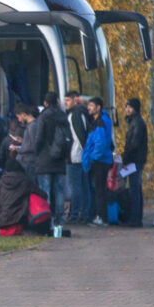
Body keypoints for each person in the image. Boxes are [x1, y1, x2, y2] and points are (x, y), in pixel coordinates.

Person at [0, 159, 46, 235]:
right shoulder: (25, 181)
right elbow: (43, 195)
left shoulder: (0, 182)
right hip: (19, 221)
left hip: (3, 222)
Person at [33, 92, 69, 224]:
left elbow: (39, 138)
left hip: (45, 159)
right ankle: (59, 218)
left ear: (45, 103)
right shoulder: (63, 116)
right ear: (57, 102)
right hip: (60, 159)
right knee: (59, 191)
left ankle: (47, 219)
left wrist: (36, 152)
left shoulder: (43, 116)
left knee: (45, 190)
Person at [82, 98, 114, 227]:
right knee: (100, 190)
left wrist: (93, 158)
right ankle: (101, 217)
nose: (88, 108)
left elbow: (100, 143)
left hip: (99, 161)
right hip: (102, 159)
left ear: (98, 107)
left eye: (91, 105)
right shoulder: (101, 120)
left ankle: (102, 218)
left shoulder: (100, 122)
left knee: (99, 191)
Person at [64, 92, 91, 225]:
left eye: (68, 100)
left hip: (75, 156)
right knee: (84, 186)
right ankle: (84, 212)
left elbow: (79, 137)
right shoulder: (84, 112)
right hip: (82, 157)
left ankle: (75, 213)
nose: (66, 103)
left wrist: (81, 152)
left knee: (76, 187)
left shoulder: (74, 115)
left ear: (75, 100)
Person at [122, 98, 149, 224]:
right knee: (135, 187)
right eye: (126, 107)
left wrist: (125, 158)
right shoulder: (135, 122)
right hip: (135, 159)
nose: (127, 110)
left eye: (130, 107)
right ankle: (136, 216)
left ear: (136, 109)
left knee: (135, 188)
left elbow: (134, 144)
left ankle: (135, 218)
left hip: (135, 159)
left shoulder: (137, 123)